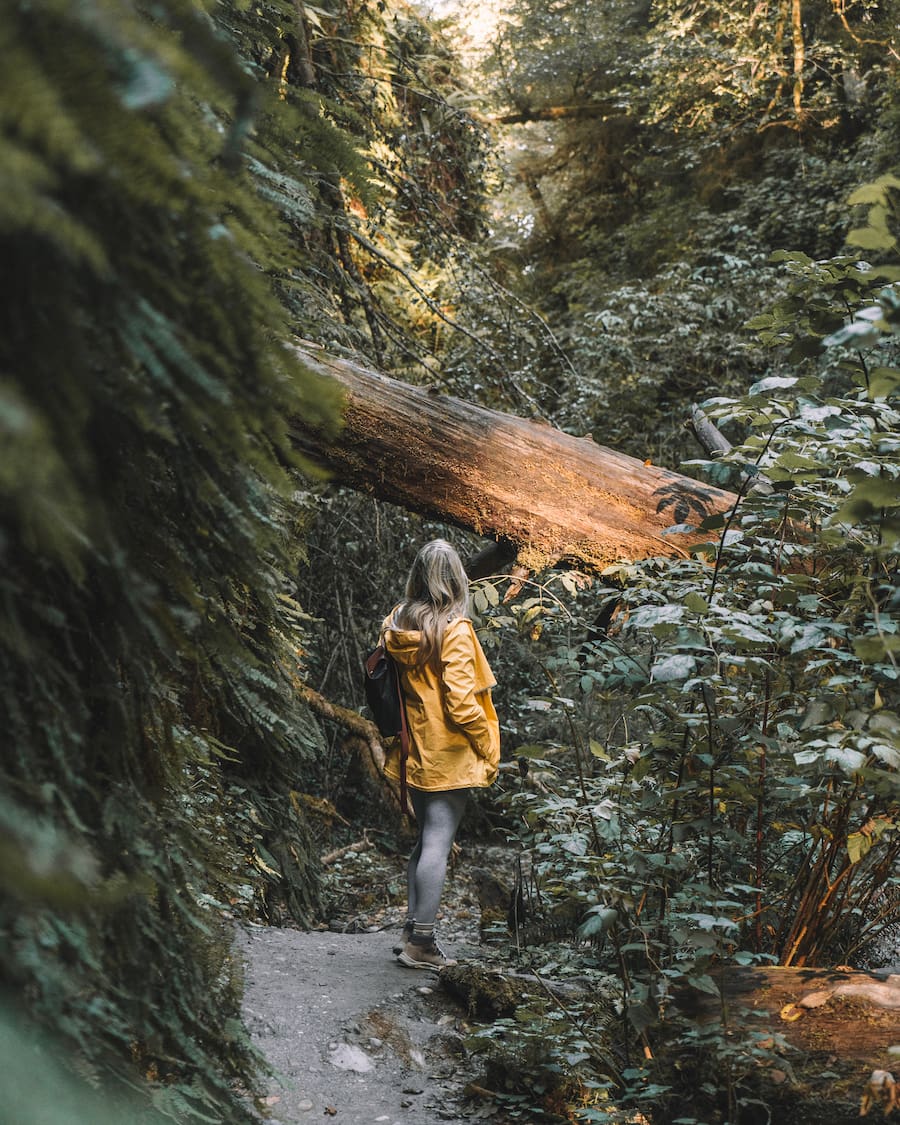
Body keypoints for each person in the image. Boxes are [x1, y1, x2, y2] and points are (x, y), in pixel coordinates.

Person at [380, 539, 500, 970]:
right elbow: (462, 703)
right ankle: (422, 945)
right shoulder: (455, 630)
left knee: (425, 840)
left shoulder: (397, 622)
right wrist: (487, 746)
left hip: (414, 747)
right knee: (437, 841)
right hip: (448, 752)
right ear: (455, 579)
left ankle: (412, 930)